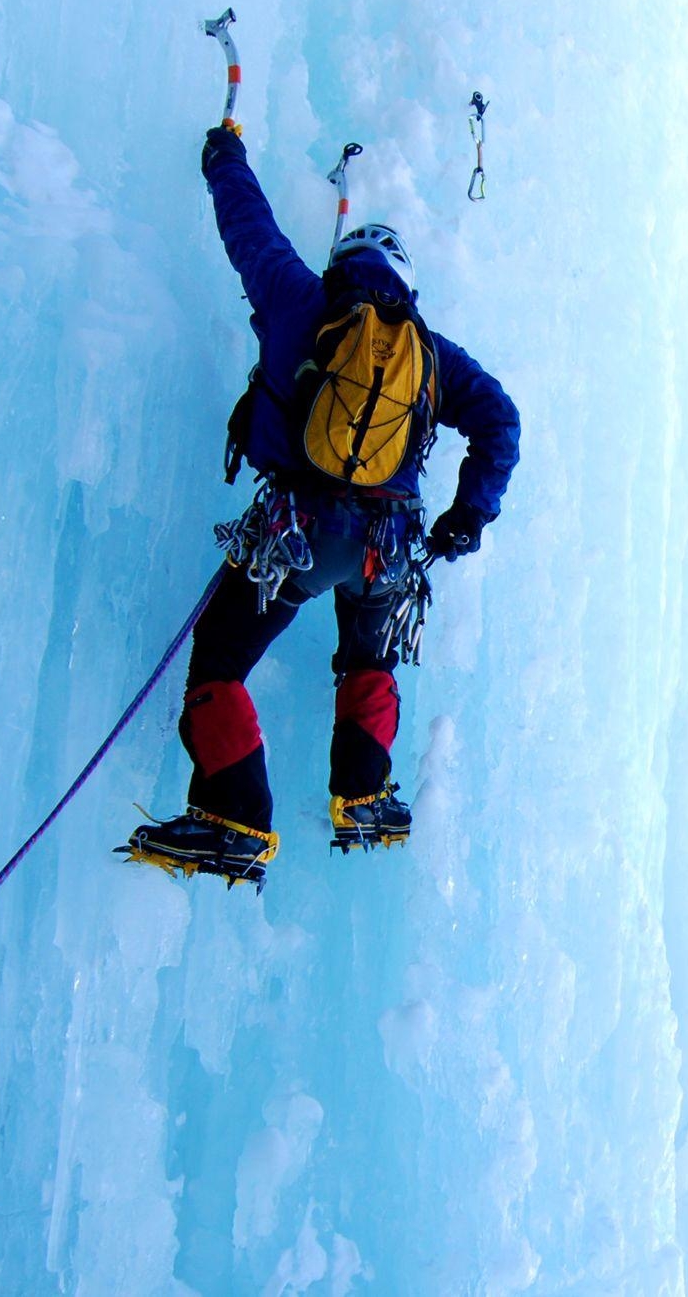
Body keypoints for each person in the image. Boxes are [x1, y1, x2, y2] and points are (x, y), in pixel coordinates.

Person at [124, 126, 519, 885]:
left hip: (300, 533)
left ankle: (236, 818)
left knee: (219, 658)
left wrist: (223, 158)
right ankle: (363, 799)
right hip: (388, 548)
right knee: (367, 658)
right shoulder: (430, 354)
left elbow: (249, 225)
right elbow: (501, 418)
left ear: (346, 269)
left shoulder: (295, 294)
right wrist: (468, 514)